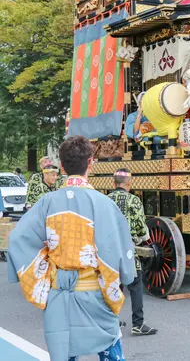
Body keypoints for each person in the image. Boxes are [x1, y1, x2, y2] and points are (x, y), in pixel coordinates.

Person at [8, 135, 135, 361]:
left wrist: (44, 275)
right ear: (90, 163)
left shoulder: (46, 203)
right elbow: (117, 249)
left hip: (59, 294)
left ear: (62, 166)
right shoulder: (104, 204)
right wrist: (124, 275)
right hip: (95, 294)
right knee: (111, 350)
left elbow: (18, 239)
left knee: (64, 353)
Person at [108, 169, 157, 336]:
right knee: (135, 285)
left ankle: (112, 322)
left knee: (114, 284)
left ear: (113, 184)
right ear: (129, 184)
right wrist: (144, 238)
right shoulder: (134, 201)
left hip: (110, 250)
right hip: (129, 249)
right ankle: (138, 324)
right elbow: (141, 228)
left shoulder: (105, 201)